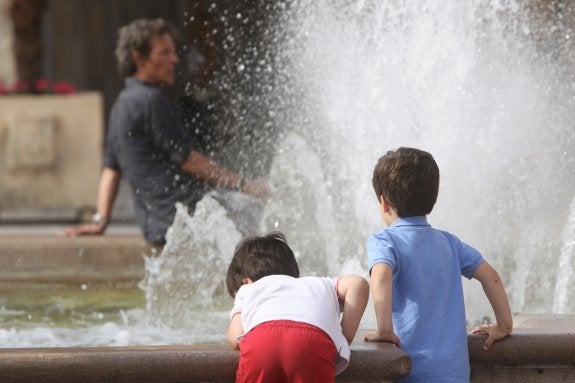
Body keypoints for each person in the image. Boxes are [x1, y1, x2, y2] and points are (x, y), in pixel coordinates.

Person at [63, 18, 268, 245]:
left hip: (156, 226)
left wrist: (100, 221)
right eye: (165, 53)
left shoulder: (122, 104)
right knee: (264, 212)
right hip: (185, 221)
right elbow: (189, 161)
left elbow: (111, 168)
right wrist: (244, 185)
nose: (175, 59)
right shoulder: (151, 100)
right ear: (138, 58)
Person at [363, 147, 513, 382]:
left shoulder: (385, 240)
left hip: (411, 371)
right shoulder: (450, 243)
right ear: (432, 199)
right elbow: (491, 276)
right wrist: (504, 325)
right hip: (454, 373)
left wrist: (384, 329)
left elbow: (380, 275)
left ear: (383, 203)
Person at [226, 232, 369, 382]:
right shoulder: (320, 284)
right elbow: (358, 284)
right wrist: (342, 338)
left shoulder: (248, 289)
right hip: (312, 343)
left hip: (261, 343)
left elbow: (235, 337)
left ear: (246, 282)